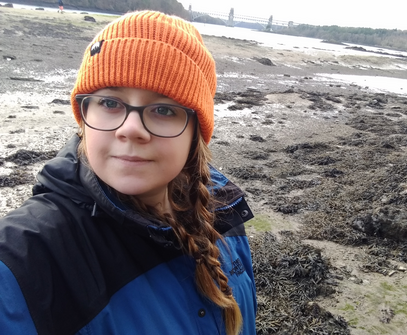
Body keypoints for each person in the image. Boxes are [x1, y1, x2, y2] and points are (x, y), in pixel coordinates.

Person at [0, 10, 257, 335]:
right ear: (83, 115)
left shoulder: (224, 212)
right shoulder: (29, 261)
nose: (131, 128)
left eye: (163, 109)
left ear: (195, 134)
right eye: (110, 103)